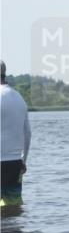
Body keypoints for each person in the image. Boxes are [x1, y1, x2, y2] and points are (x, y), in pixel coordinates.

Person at [0, 61, 31, 207]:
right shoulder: (19, 98)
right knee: (12, 207)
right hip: (14, 163)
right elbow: (28, 134)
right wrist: (23, 161)